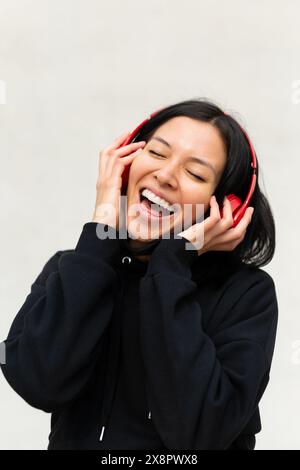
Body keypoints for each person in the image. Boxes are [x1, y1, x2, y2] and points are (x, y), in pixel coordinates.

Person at [0, 98, 278, 450]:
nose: (164, 175)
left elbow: (198, 433)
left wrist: (174, 262)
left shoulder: (247, 294)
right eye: (157, 153)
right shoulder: (78, 267)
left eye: (195, 173)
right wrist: (102, 225)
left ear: (226, 208)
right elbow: (37, 380)